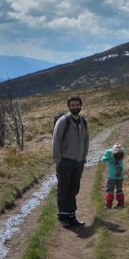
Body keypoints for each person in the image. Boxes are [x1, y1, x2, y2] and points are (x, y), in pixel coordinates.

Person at [52, 94, 89, 228]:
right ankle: (63, 218)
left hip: (78, 162)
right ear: (69, 106)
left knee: (74, 189)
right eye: (72, 105)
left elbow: (86, 141)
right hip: (65, 161)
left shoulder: (83, 121)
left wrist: (83, 158)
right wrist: (58, 159)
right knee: (64, 189)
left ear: (80, 106)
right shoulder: (63, 121)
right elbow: (56, 140)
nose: (75, 107)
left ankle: (72, 216)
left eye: (77, 105)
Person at [100, 143, 125, 208]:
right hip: (121, 176)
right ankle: (120, 204)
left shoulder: (108, 152)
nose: (117, 144)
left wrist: (112, 149)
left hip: (111, 175)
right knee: (119, 190)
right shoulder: (122, 152)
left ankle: (108, 205)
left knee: (110, 190)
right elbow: (122, 149)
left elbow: (103, 159)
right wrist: (120, 147)